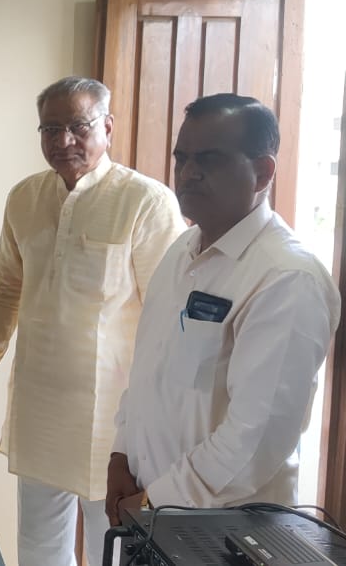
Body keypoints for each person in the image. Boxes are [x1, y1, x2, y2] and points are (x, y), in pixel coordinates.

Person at [0, 76, 185, 565]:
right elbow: (6, 287)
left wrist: (165, 413)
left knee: (115, 544)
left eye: (78, 126)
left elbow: (170, 318)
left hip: (118, 418)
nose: (63, 141)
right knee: (39, 547)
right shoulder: (24, 198)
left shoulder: (146, 201)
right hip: (41, 407)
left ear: (106, 126)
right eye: (50, 129)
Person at [107, 94, 340, 519]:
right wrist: (121, 455)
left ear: (263, 172)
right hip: (148, 515)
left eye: (210, 160)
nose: (188, 173)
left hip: (219, 533)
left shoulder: (286, 279)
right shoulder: (181, 251)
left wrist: (154, 501)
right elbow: (149, 374)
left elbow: (254, 441)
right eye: (182, 158)